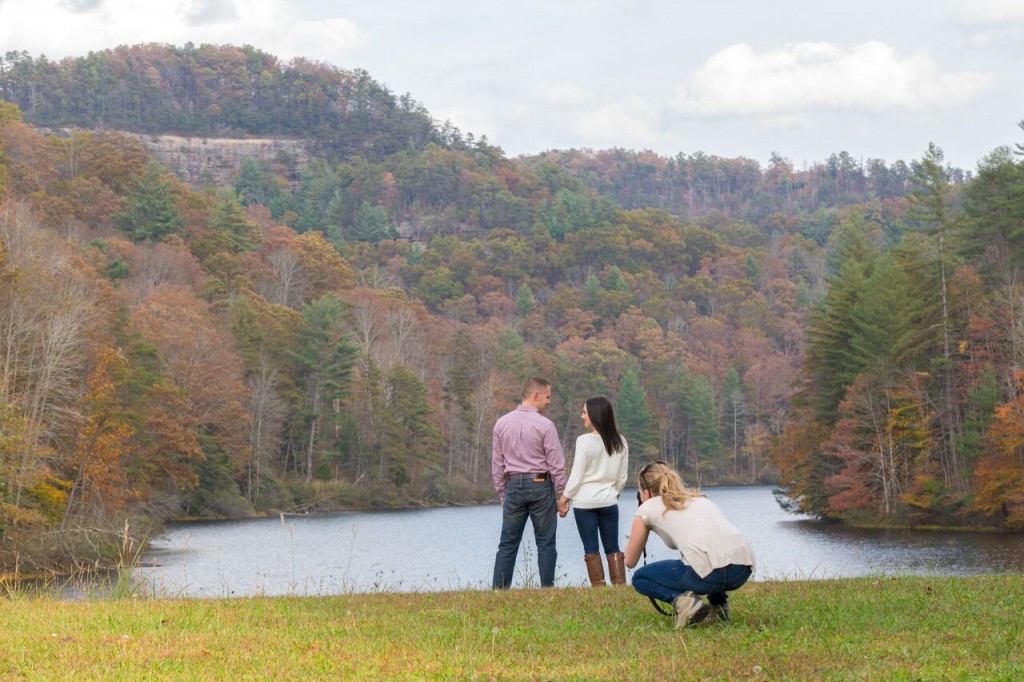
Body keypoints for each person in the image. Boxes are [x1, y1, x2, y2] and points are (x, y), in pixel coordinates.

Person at [624, 461, 756, 628]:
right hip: (742, 569)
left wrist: (641, 514)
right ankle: (719, 607)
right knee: (705, 551)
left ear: (645, 492)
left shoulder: (647, 507)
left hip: (709, 577)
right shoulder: (698, 498)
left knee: (640, 577)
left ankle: (684, 602)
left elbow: (630, 561)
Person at [491, 377, 567, 589]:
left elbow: (497, 465)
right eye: (547, 397)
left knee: (508, 542)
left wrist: (502, 494)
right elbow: (556, 463)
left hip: (513, 485)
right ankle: (547, 589)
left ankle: (499, 590)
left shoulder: (501, 423)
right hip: (541, 485)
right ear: (536, 395)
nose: (549, 402)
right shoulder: (546, 425)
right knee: (545, 541)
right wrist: (561, 495)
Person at [557, 396, 629, 586]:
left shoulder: (584, 441)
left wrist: (564, 499)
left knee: (591, 548)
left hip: (585, 504)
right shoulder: (620, 441)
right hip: (609, 502)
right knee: (612, 547)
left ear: (595, 416)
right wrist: (614, 494)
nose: (582, 417)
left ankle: (599, 587)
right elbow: (622, 478)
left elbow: (577, 475)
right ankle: (620, 586)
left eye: (584, 413)